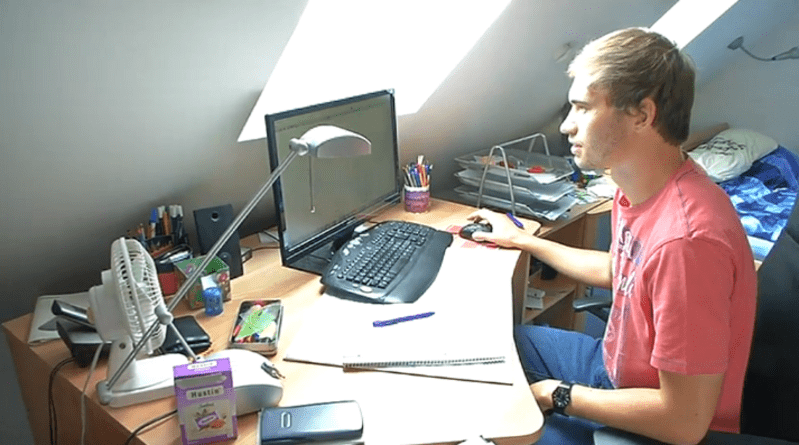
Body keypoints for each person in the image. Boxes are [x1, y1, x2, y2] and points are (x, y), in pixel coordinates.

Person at [468, 28, 757, 445]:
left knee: (495, 432)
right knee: (491, 344)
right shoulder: (638, 187)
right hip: (613, 371)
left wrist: (557, 394)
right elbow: (621, 269)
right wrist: (525, 241)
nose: (567, 126)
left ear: (642, 114)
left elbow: (684, 422)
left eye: (583, 108)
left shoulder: (687, 243)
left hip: (652, 425)